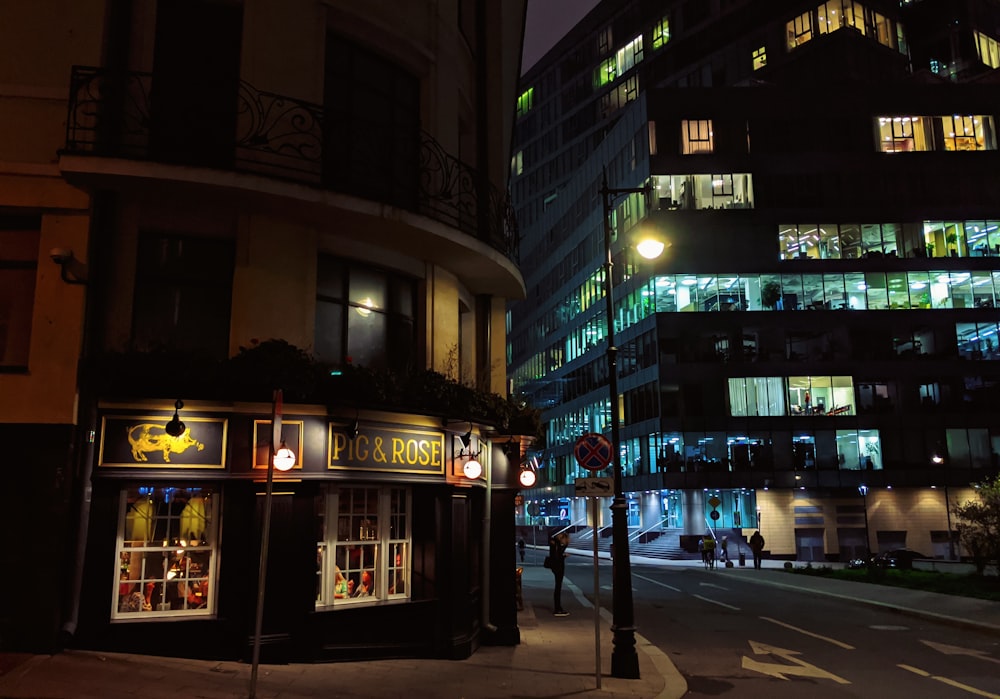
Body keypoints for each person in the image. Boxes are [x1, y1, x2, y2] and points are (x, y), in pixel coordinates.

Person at [548, 532, 570, 616]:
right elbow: (557, 556)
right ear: (562, 538)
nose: (567, 541)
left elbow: (556, 554)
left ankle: (558, 607)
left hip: (556, 567)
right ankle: (557, 609)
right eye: (566, 540)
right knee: (558, 588)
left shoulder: (554, 543)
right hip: (558, 567)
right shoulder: (556, 544)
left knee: (558, 588)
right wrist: (564, 554)